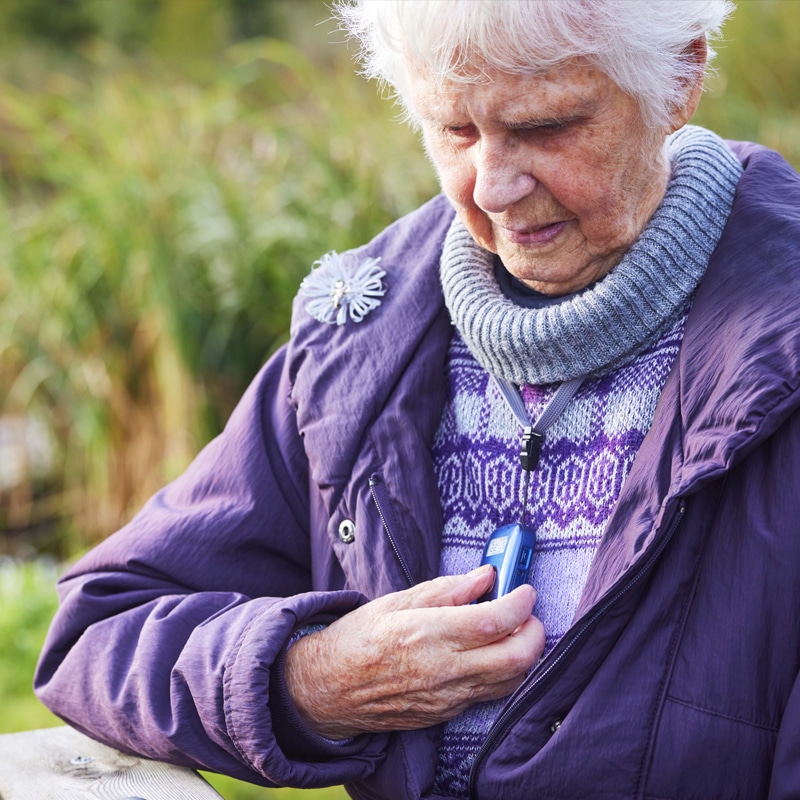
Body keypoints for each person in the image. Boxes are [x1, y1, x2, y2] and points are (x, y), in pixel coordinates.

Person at [34, 1, 800, 798]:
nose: (494, 188)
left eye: (546, 127)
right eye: (455, 132)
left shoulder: (780, 350)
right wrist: (312, 677)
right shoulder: (360, 342)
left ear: (682, 78)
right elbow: (97, 633)